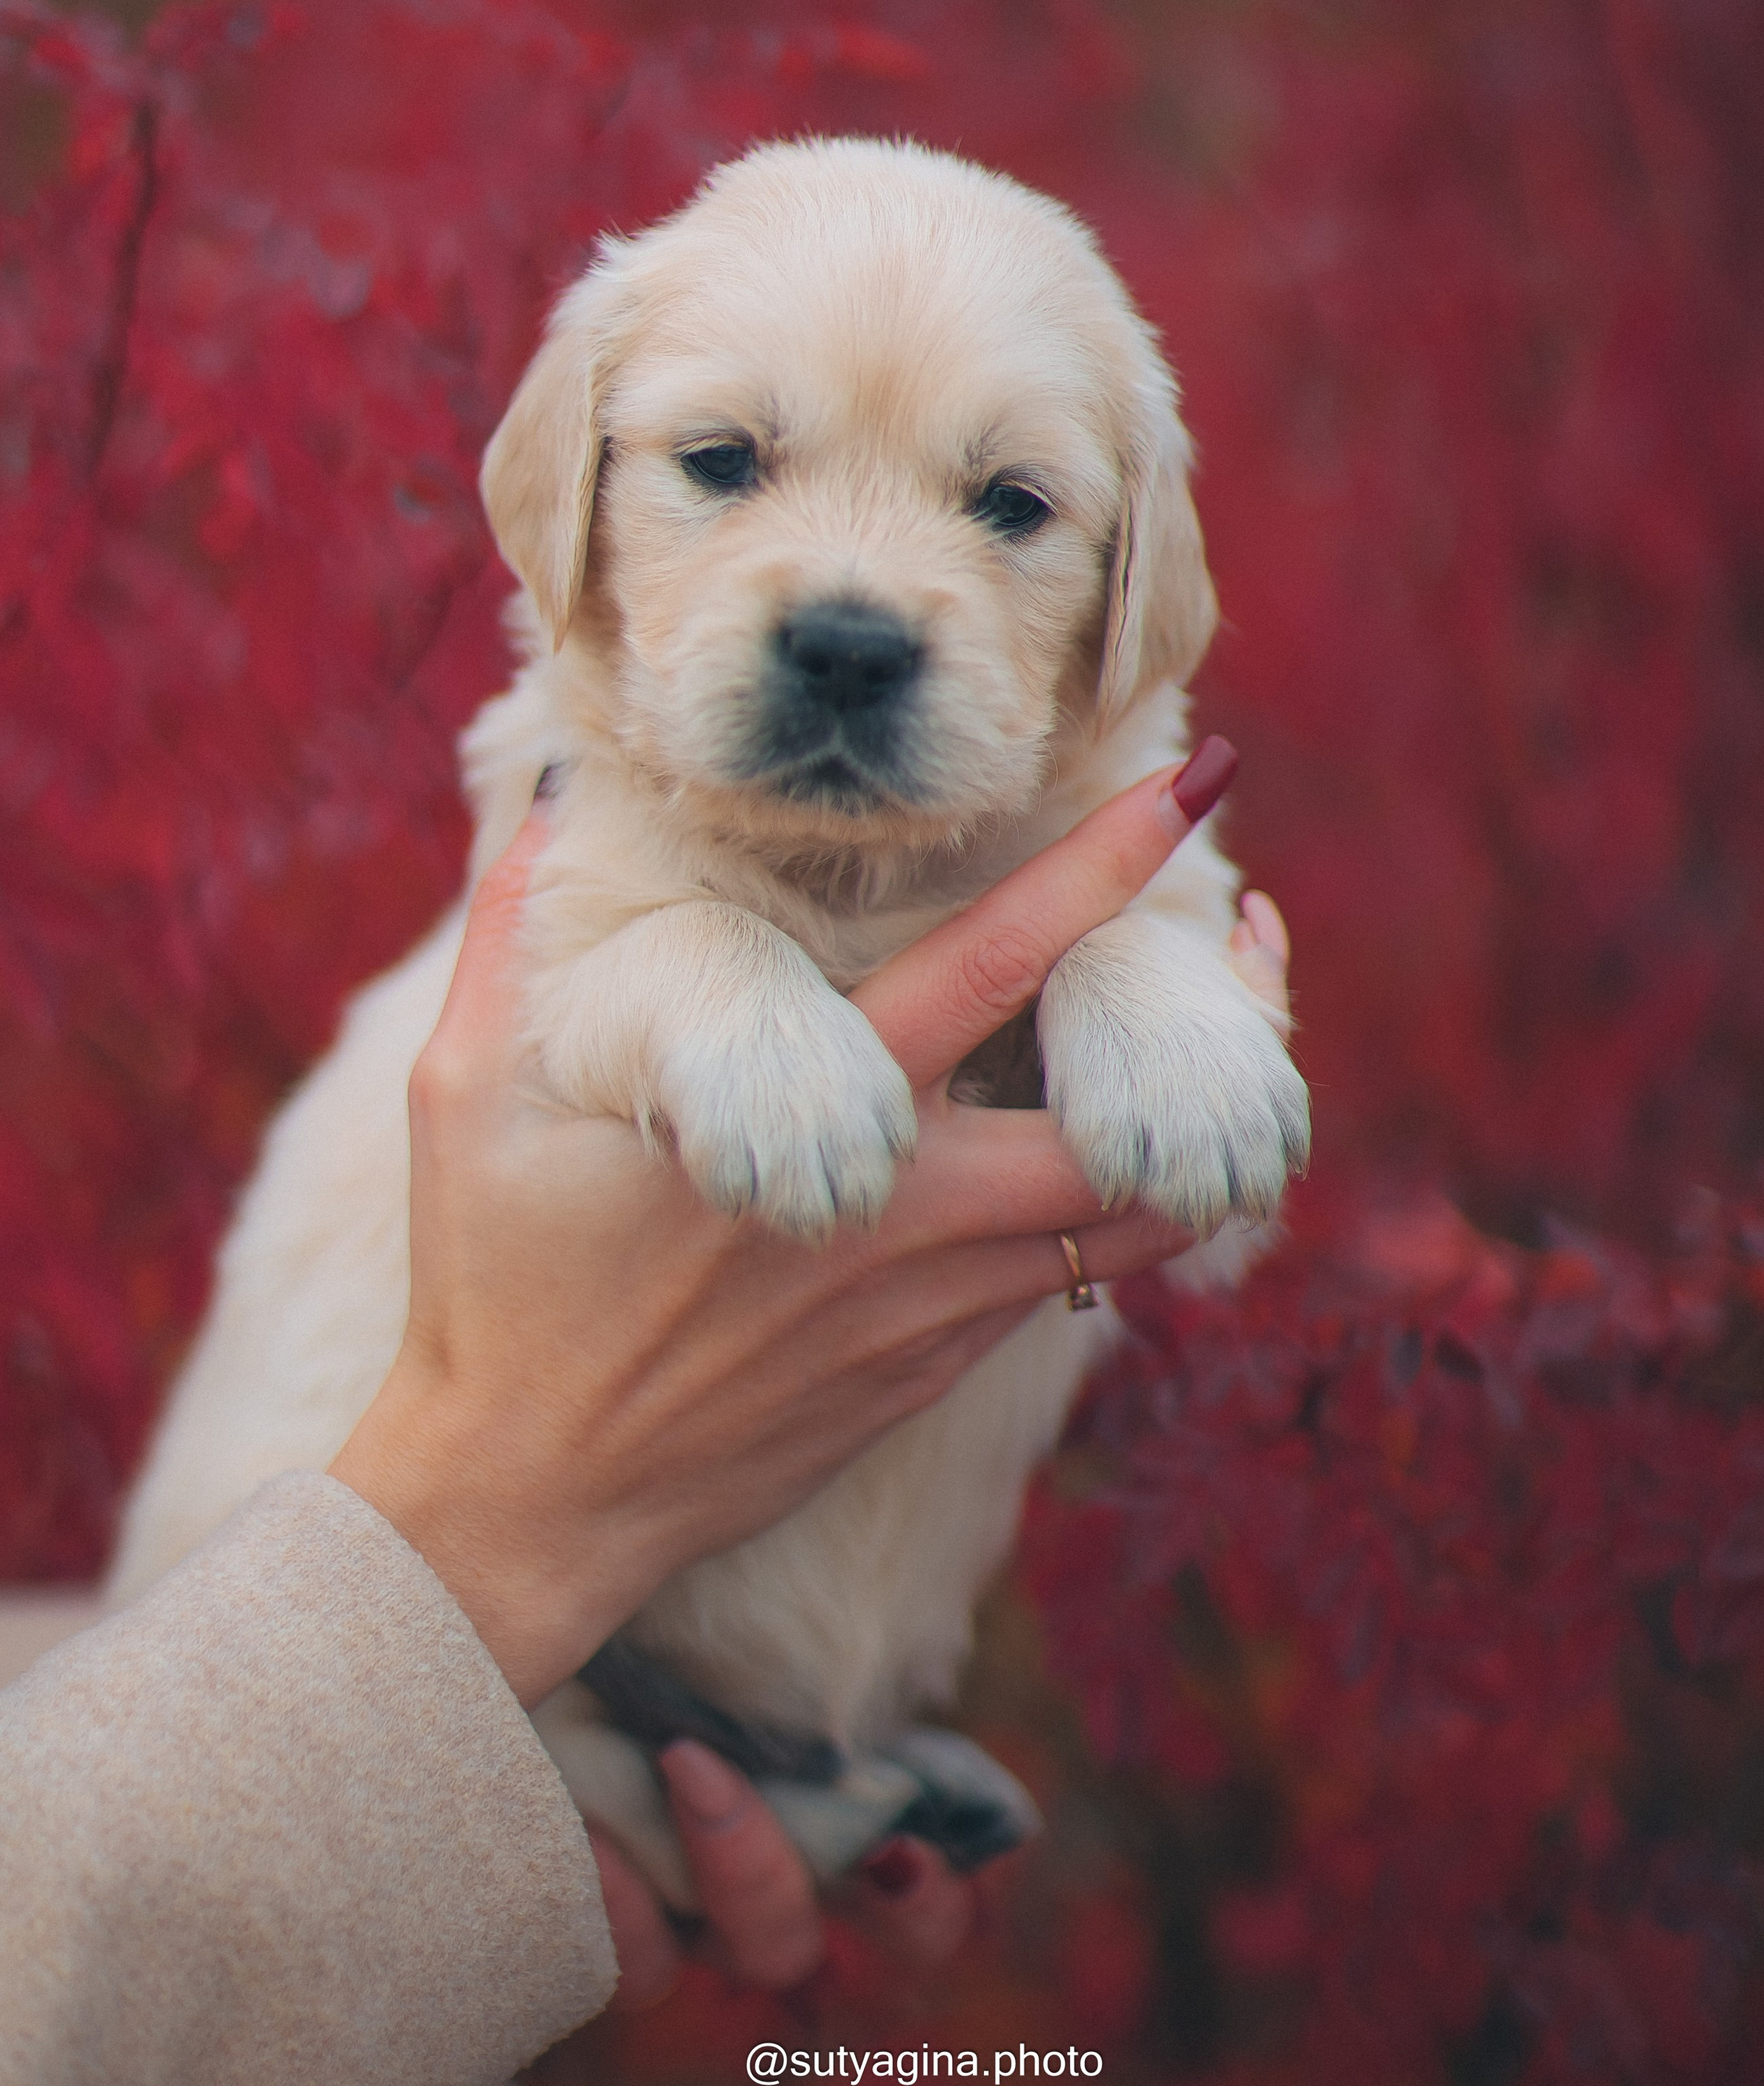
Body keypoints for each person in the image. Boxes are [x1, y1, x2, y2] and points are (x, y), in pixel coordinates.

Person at [0, 740, 1292, 2086]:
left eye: (1010, 511)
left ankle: (725, 1776)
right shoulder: (622, 807)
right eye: (724, 503)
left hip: (536, 1743)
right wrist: (476, 1577)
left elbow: (1208, 1220)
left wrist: (1137, 974)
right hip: (410, 1662)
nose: (855, 608)